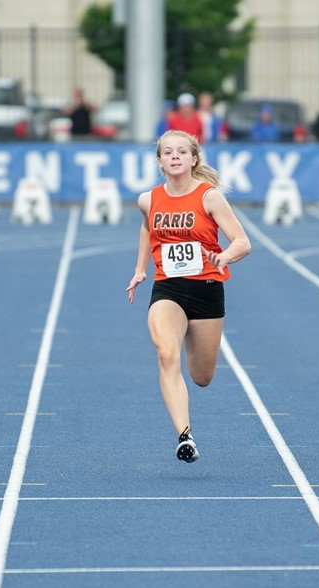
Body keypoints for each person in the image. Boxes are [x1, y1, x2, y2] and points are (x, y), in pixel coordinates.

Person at [125, 129, 251, 463]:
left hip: (207, 289)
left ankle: (192, 399)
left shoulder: (209, 197)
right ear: (159, 161)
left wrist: (225, 256)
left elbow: (242, 241)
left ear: (194, 159)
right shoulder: (148, 199)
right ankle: (185, 436)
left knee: (201, 376)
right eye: (168, 152)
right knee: (166, 353)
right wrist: (140, 269)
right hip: (168, 288)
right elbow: (146, 227)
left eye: (182, 152)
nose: (175, 157)